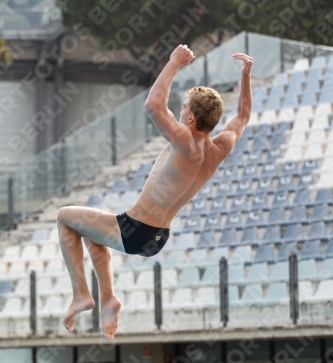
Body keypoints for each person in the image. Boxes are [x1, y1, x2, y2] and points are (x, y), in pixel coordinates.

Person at [57, 44, 253, 339]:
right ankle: (108, 299)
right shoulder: (220, 147)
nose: (180, 111)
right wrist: (246, 75)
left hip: (136, 229)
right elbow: (243, 115)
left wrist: (174, 62)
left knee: (64, 217)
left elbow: (152, 105)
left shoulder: (184, 142)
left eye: (184, 108)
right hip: (159, 237)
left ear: (190, 119)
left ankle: (81, 294)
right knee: (92, 233)